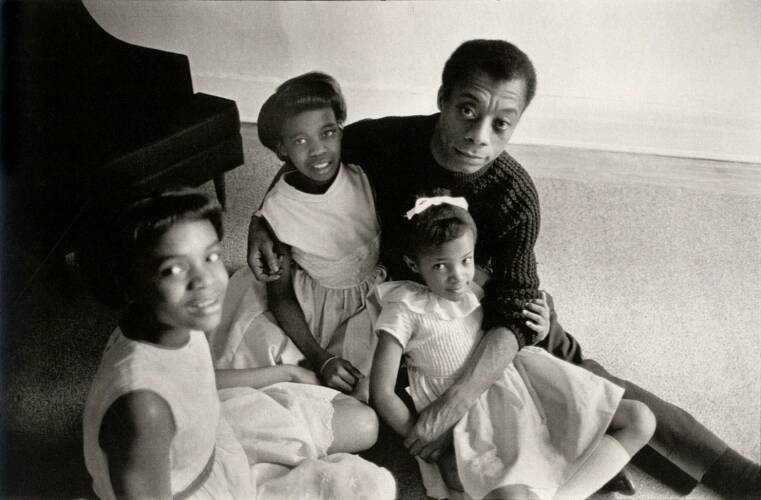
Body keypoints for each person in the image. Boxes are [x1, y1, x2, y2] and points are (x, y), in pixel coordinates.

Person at [247, 39, 760, 497]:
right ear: (442, 99)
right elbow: (310, 162)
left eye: (501, 123)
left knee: (579, 378)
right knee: (389, 410)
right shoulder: (386, 140)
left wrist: (455, 401)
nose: (479, 136)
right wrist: (260, 224)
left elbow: (513, 308)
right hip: (411, 303)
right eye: (467, 111)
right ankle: (574, 471)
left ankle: (727, 470)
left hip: (492, 300)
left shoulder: (515, 193)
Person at [82, 189, 395, 499]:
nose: (205, 280)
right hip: (194, 489)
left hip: (214, 437)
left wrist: (287, 373)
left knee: (364, 424)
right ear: (129, 283)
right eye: (173, 269)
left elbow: (195, 380)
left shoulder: (177, 322)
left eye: (211, 257)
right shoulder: (144, 409)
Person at [370, 193, 656, 500]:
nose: (458, 277)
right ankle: (573, 485)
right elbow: (382, 392)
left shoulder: (479, 286)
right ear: (413, 264)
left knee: (640, 420)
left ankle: (569, 492)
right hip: (471, 424)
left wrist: (540, 328)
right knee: (513, 496)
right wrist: (419, 439)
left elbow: (516, 324)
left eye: (465, 260)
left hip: (523, 387)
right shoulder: (404, 308)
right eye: (441, 266)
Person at [210, 72, 385, 401]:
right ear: (282, 149)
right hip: (312, 306)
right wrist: (320, 357)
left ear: (341, 131)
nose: (318, 150)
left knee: (384, 378)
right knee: (277, 371)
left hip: (373, 296)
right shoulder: (278, 210)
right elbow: (280, 296)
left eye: (327, 133)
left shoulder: (362, 173)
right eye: (301, 141)